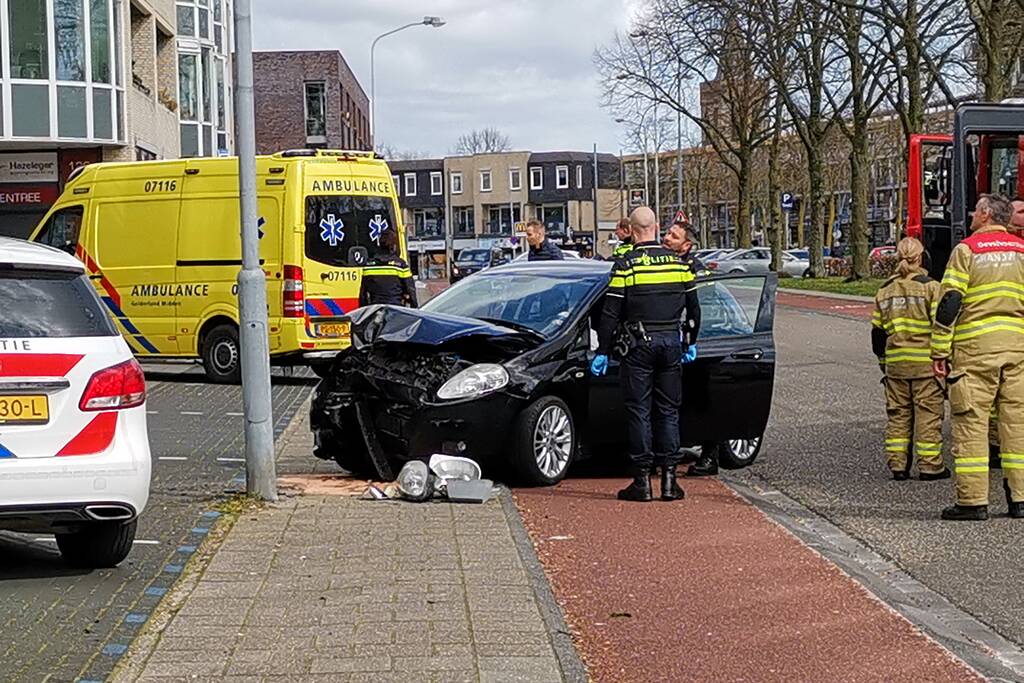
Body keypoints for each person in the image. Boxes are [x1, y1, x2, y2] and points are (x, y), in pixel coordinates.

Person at [592, 206, 701, 502]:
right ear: (654, 227)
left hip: (639, 345)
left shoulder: (627, 264)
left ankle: (641, 482)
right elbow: (694, 308)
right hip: (671, 344)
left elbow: (611, 312)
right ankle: (669, 482)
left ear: (633, 229)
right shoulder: (679, 263)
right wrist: (689, 341)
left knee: (639, 410)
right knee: (668, 411)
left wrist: (602, 351)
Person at [932, 194, 1024, 521]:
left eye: (975, 210)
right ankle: (1020, 500)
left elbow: (950, 303)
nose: (971, 214)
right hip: (1017, 349)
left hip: (975, 351)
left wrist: (939, 349)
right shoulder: (1021, 250)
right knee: (1016, 424)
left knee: (971, 422)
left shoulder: (967, 250)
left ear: (985, 214)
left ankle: (972, 502)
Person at [871, 237, 946, 481]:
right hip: (925, 364)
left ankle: (898, 465)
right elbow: (941, 326)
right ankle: (930, 466)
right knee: (928, 416)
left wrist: (884, 362)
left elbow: (877, 333)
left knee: (898, 415)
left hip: (896, 365)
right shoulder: (931, 287)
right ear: (922, 258)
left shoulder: (884, 290)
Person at [359, 228, 418, 308]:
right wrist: (414, 308)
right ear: (393, 245)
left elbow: (363, 295)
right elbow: (411, 290)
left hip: (375, 309)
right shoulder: (400, 265)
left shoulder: (369, 266)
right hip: (396, 309)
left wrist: (365, 312)